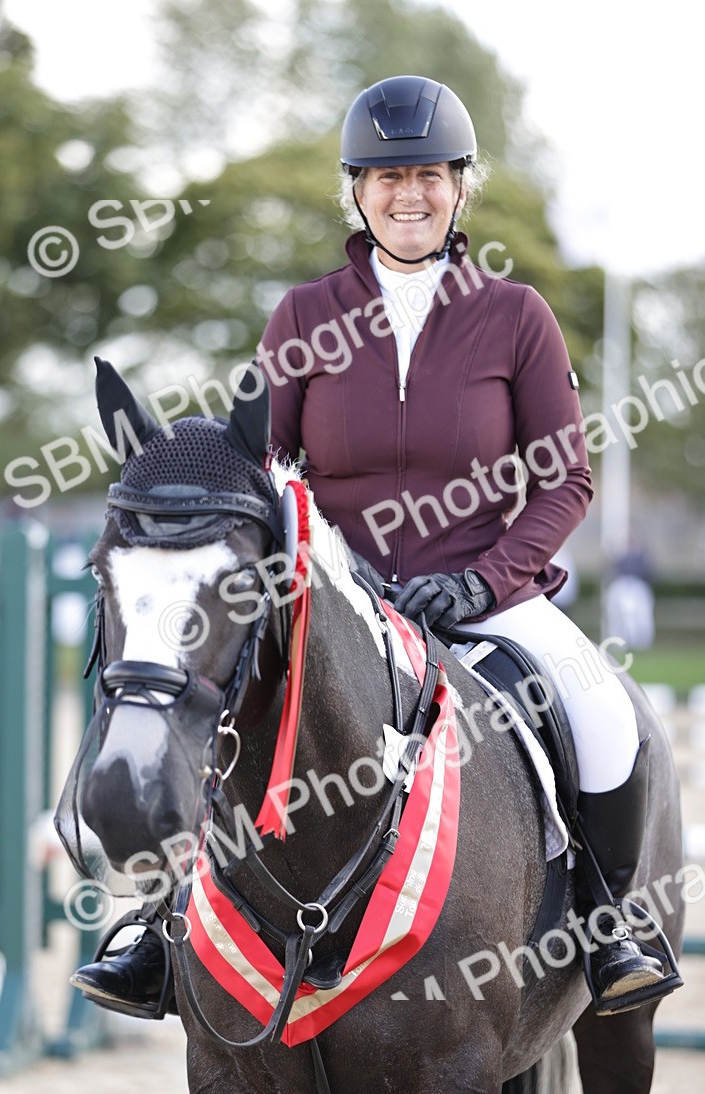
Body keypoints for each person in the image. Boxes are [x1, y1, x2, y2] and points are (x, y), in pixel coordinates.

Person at [72, 75, 674, 1018]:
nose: (410, 194)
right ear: (356, 190)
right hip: (338, 601)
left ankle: (606, 924)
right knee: (215, 702)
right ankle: (160, 921)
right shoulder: (306, 316)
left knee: (601, 715)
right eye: (388, 177)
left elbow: (565, 482)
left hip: (490, 595)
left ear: (461, 187)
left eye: (431, 174)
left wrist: (483, 584)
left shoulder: (516, 316)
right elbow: (260, 471)